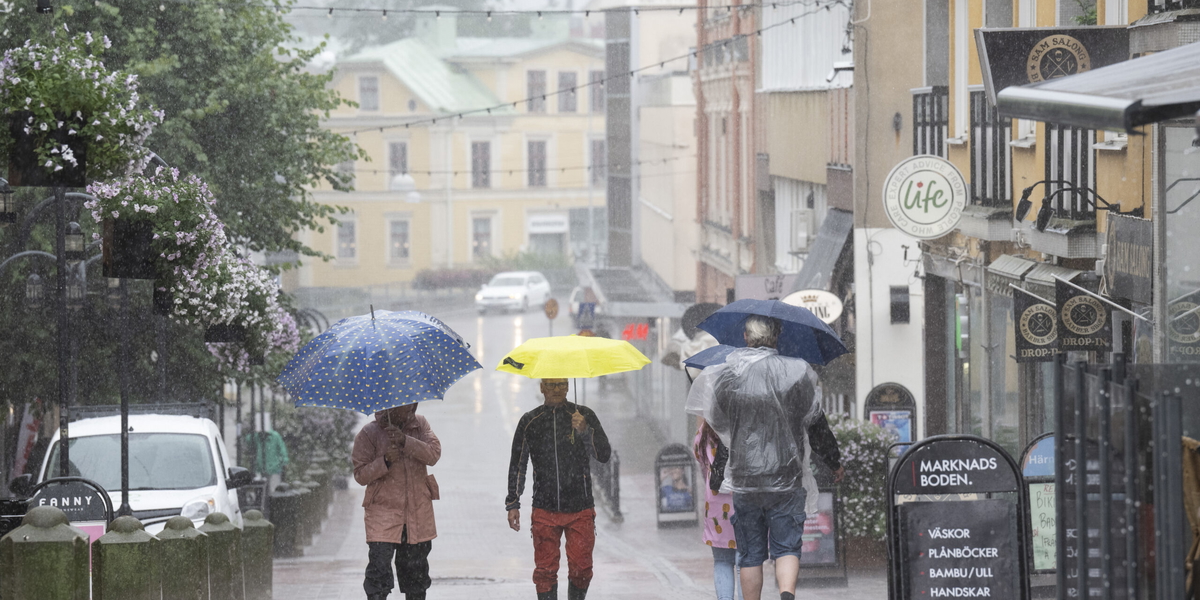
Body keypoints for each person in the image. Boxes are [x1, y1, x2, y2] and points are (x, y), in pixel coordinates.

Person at [688, 315, 844, 600]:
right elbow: (816, 423)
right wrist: (834, 461)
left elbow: (720, 424)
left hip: (746, 479)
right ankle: (786, 593)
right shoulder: (798, 372)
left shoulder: (727, 376)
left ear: (746, 338)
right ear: (777, 337)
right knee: (786, 547)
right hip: (787, 477)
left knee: (750, 553)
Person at [506, 378, 611, 600]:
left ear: (568, 387)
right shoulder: (530, 421)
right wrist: (513, 502)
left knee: (582, 568)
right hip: (545, 507)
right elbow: (518, 463)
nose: (556, 389)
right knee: (545, 570)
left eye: (561, 384)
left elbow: (604, 455)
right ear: (542, 387)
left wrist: (585, 431)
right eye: (551, 384)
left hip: (580, 507)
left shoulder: (583, 415)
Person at [352, 403, 442, 600]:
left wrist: (405, 442)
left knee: (416, 574)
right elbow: (360, 475)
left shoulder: (420, 424)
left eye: (414, 402)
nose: (413, 406)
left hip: (417, 512)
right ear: (393, 406)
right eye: (407, 404)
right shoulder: (369, 433)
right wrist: (384, 461)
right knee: (379, 571)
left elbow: (434, 454)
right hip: (383, 514)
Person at [695, 419, 740, 600]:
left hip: (715, 503)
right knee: (745, 560)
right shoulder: (745, 425)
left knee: (722, 560)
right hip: (742, 498)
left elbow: (700, 457)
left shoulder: (706, 431)